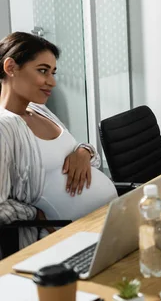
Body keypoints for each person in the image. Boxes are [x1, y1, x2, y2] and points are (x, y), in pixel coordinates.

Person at [0, 32, 117, 251]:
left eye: (53, 72)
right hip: (61, 241)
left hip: (105, 226)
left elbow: (90, 160)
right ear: (11, 67)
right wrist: (37, 215)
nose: (52, 82)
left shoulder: (39, 109)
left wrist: (84, 152)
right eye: (43, 71)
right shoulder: (4, 128)